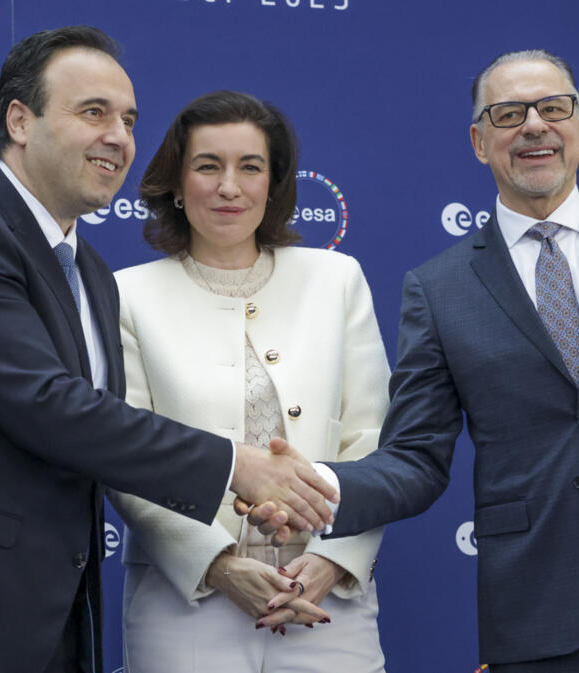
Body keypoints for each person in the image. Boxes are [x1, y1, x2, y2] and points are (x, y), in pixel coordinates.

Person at [0, 27, 336, 673]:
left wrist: (249, 508)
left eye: (129, 119)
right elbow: (49, 406)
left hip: (36, 632)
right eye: (93, 112)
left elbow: (100, 440)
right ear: (20, 121)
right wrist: (236, 466)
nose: (119, 136)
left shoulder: (93, 275)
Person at [265, 50, 579, 672]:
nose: (534, 125)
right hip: (537, 596)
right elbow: (417, 456)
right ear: (480, 142)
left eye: (553, 108)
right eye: (509, 113)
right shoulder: (439, 287)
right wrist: (323, 484)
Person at [107, 90, 390, 672]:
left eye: (250, 168)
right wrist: (217, 564)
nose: (229, 187)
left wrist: (331, 560)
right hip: (186, 601)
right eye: (208, 166)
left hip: (324, 600)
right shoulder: (126, 295)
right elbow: (125, 458)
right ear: (177, 186)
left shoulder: (336, 280)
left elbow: (374, 442)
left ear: (275, 185)